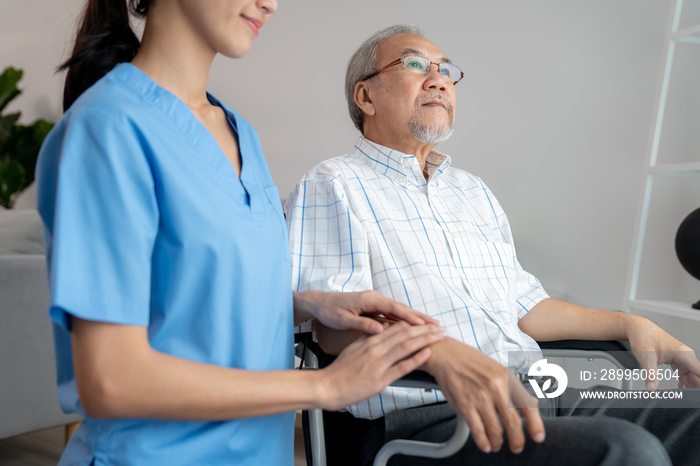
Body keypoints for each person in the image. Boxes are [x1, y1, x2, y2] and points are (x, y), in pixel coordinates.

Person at [35, 4, 447, 465]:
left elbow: (190, 297)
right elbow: (111, 381)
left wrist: (303, 305)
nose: (269, 2)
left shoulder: (239, 134)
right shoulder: (107, 129)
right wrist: (325, 385)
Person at [284, 24, 700, 466]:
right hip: (429, 418)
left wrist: (631, 324)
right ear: (365, 97)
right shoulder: (334, 184)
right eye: (414, 65)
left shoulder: (471, 191)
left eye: (446, 70)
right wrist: (437, 354)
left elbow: (525, 307)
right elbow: (332, 329)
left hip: (538, 391)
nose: (439, 79)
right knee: (627, 451)